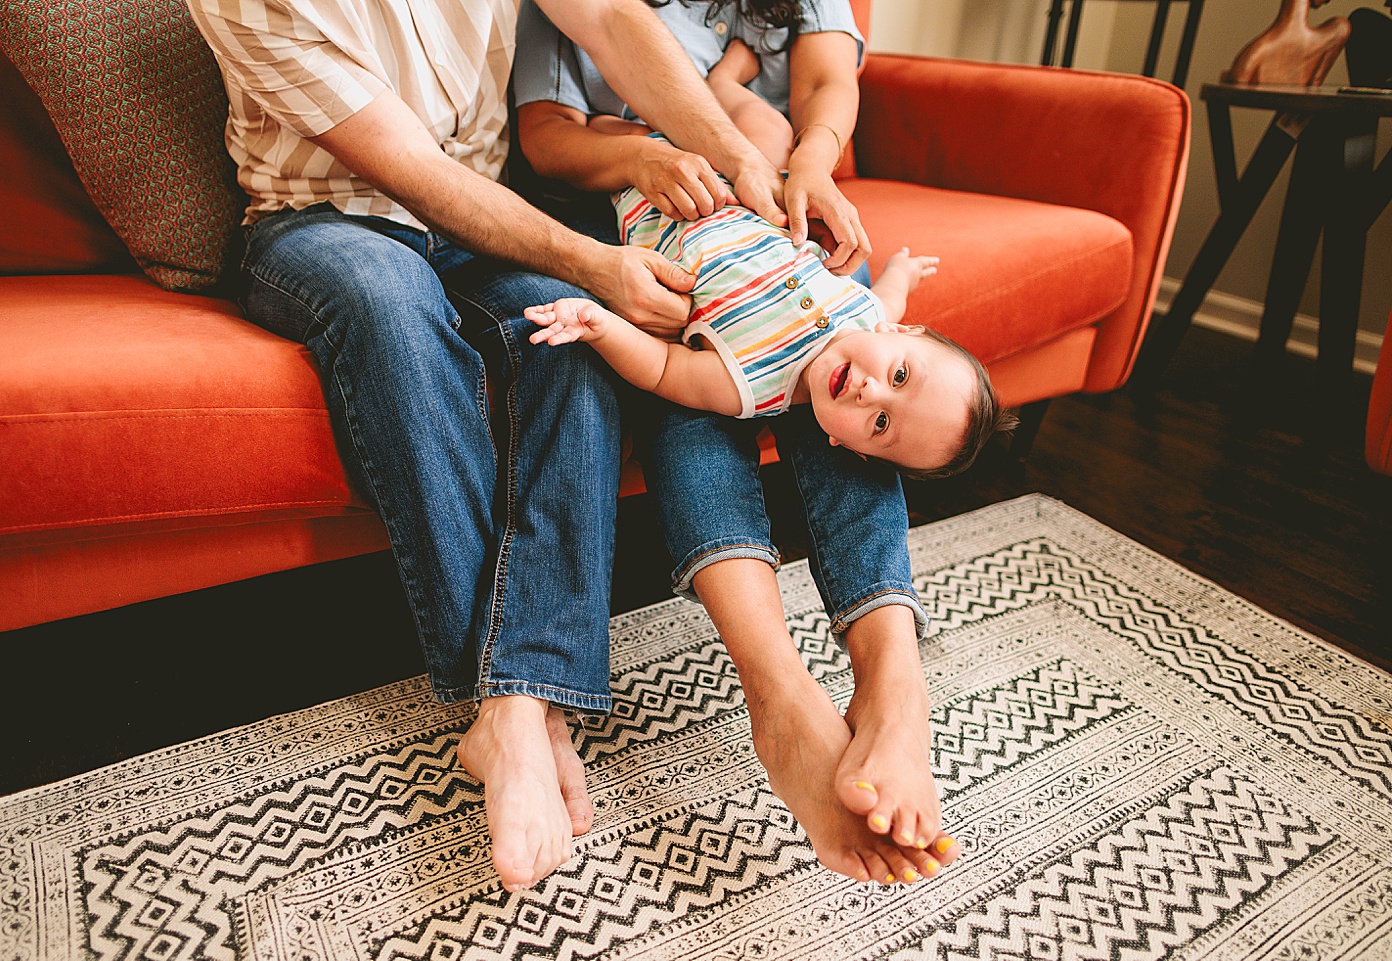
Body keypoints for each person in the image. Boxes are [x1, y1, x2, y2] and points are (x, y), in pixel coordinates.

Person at [186, 0, 794, 894]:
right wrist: (595, 264)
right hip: (320, 222)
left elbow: (616, 21)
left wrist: (740, 156)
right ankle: (515, 710)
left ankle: (514, 706)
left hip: (481, 221)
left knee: (575, 341)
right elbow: (417, 177)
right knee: (391, 311)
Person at [515, 0, 1005, 885]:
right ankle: (778, 691)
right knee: (721, 388)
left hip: (774, 208)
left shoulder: (874, 350)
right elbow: (550, 137)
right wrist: (662, 157)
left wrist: (803, 169)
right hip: (647, 214)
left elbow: (825, 83)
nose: (879, 386)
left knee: (848, 410)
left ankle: (893, 677)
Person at [524, 133, 1012, 476]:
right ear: (903, 334)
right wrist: (901, 272)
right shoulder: (871, 316)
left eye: (881, 424)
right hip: (734, 184)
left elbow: (662, 368)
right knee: (768, 127)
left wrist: (599, 326)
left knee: (597, 133)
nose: (871, 392)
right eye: (900, 376)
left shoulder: (751, 387)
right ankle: (729, 73)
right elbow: (890, 300)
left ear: (848, 447)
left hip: (644, 199)